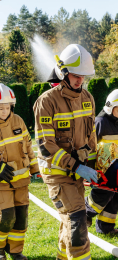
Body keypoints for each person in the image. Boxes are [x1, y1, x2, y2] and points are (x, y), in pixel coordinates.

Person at [34, 44, 98, 260]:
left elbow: (91, 137)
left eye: (84, 76)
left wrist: (92, 162)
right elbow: (46, 145)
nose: (80, 80)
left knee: (69, 219)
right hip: (57, 172)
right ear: (63, 72)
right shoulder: (47, 101)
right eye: (75, 75)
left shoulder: (88, 98)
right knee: (77, 219)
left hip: (78, 173)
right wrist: (76, 165)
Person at [0, 84, 39, 260]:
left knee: (21, 218)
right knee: (6, 217)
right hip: (2, 184)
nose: (4, 111)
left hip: (22, 181)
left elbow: (29, 147)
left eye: (7, 107)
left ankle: (15, 251)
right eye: (0, 108)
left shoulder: (19, 121)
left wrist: (36, 168)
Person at [85, 89, 118, 234]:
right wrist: (91, 169)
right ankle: (85, 214)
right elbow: (91, 147)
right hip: (103, 169)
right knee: (102, 195)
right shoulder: (100, 122)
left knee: (113, 198)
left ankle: (105, 229)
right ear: (110, 107)